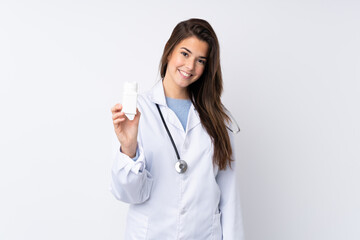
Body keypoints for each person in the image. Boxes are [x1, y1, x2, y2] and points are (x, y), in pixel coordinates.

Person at [110, 18, 244, 240]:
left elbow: (229, 197)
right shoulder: (136, 111)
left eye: (200, 60)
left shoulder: (219, 119)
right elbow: (128, 194)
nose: (190, 66)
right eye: (185, 53)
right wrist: (129, 149)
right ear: (169, 51)